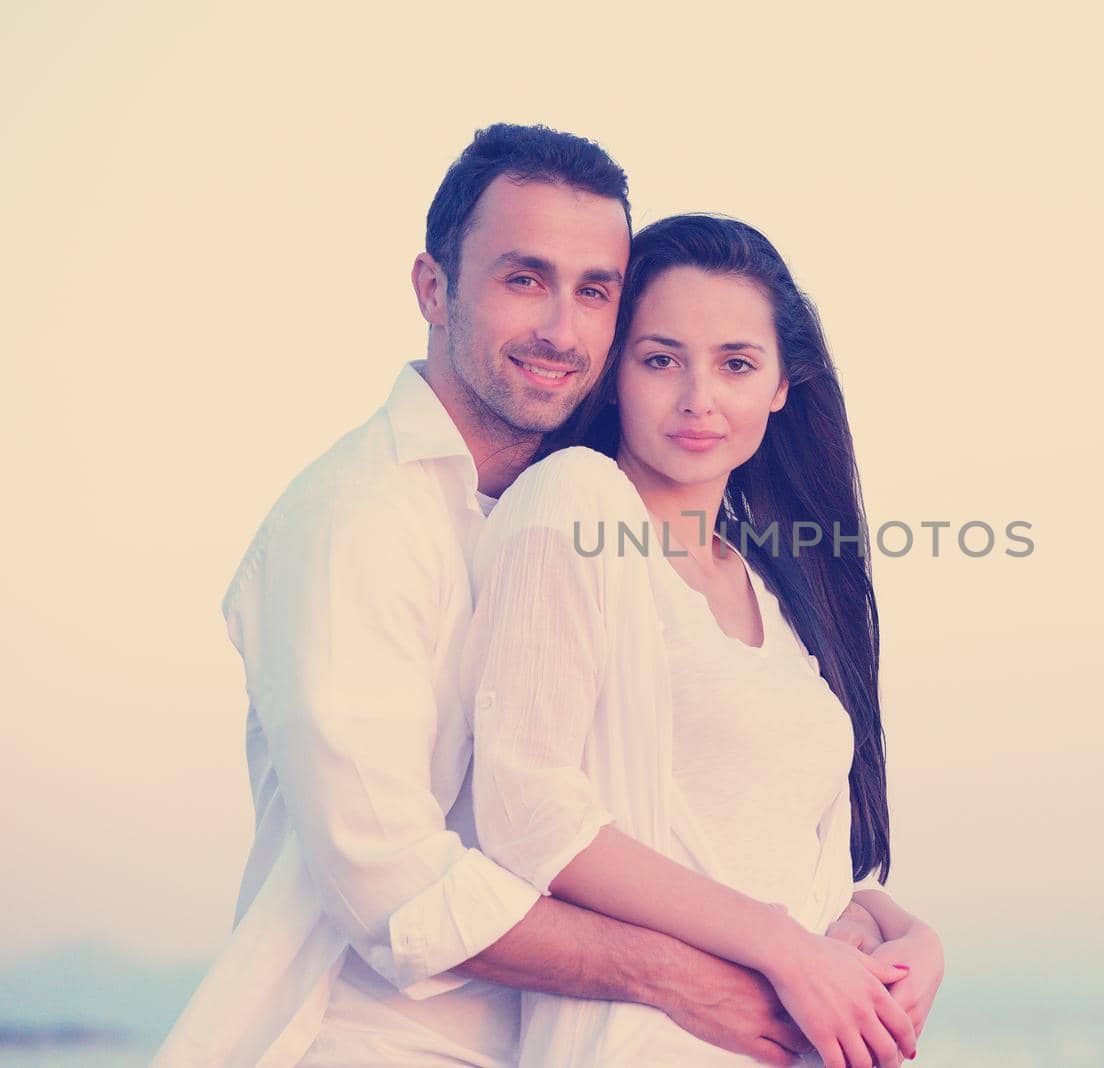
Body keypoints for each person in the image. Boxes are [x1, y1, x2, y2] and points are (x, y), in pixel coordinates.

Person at [154, 125, 884, 1068]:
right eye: (523, 279)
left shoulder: (594, 521)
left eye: (595, 292)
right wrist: (696, 975)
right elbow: (398, 889)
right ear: (432, 287)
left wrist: (874, 927)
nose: (561, 328)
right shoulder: (360, 519)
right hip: (374, 1041)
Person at [464, 214, 945, 1068]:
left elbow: (780, 850)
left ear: (782, 385)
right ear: (615, 374)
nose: (699, 398)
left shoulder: (779, 585)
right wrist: (783, 948)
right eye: (660, 360)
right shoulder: (575, 501)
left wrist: (898, 930)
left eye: (736, 364)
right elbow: (530, 816)